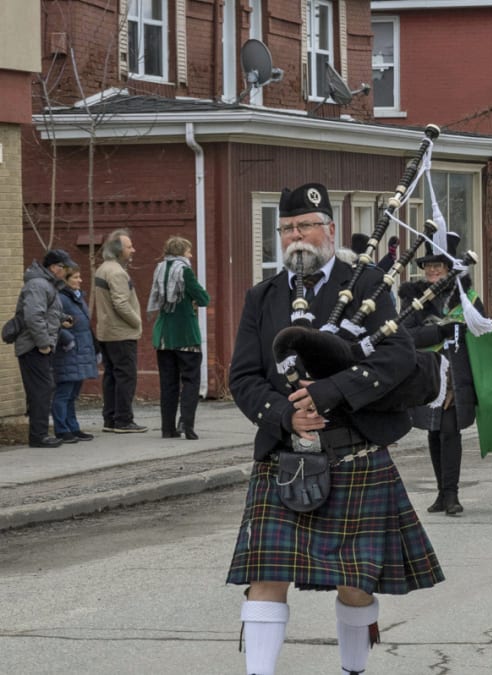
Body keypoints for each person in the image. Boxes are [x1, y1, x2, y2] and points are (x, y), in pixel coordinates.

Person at [226, 183, 443, 675]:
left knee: (355, 580)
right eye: (286, 229)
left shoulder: (366, 285)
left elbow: (396, 356)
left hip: (354, 451)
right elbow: (242, 376)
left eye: (304, 226)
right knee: (265, 574)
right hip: (285, 454)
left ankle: (353, 671)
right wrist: (286, 413)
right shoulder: (262, 297)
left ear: (328, 230)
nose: (295, 237)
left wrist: (329, 393)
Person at [399, 231, 486, 516]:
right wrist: (439, 330)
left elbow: (483, 335)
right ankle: (441, 492)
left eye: (440, 266)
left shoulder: (468, 299)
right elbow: (406, 337)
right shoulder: (413, 300)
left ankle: (452, 494)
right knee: (434, 433)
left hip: (457, 377)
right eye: (429, 266)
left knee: (450, 431)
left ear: (450, 269)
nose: (434, 270)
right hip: (427, 375)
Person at [148, 236, 211, 440]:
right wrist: (192, 299)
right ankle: (187, 423)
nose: (190, 255)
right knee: (191, 381)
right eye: (189, 251)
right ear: (182, 252)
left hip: (164, 336)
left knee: (168, 383)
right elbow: (204, 298)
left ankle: (167, 428)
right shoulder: (184, 270)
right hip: (185, 334)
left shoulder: (159, 269)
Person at [16, 249, 75, 448]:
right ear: (54, 267)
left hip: (40, 345)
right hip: (34, 347)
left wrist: (62, 319)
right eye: (64, 267)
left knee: (42, 389)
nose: (66, 271)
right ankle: (39, 436)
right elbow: (34, 317)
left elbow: (47, 312)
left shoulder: (47, 285)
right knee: (41, 390)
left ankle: (40, 434)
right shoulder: (38, 285)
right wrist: (43, 345)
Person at [94, 228, 147, 433]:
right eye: (129, 246)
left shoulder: (102, 269)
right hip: (121, 332)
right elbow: (121, 303)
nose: (133, 250)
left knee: (111, 376)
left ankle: (110, 418)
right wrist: (137, 321)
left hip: (106, 331)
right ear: (118, 250)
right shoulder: (116, 272)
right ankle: (123, 420)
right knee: (126, 376)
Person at [52, 263, 98, 443]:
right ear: (65, 279)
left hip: (81, 351)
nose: (80, 280)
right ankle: (61, 429)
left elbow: (85, 325)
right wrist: (66, 338)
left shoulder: (77, 297)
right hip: (68, 351)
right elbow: (54, 320)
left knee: (73, 393)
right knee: (64, 392)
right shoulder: (60, 298)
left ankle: (73, 426)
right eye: (76, 277)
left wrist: (95, 347)